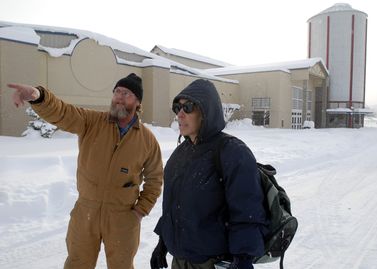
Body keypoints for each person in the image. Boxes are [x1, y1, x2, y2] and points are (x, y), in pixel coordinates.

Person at [7, 73, 164, 269]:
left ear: (138, 102)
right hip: (85, 211)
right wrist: (38, 96)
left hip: (123, 216)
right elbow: (63, 113)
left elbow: (155, 179)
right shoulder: (91, 122)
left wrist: (140, 211)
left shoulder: (147, 140)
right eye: (117, 92)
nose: (120, 97)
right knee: (77, 264)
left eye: (127, 93)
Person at [150, 79, 269, 269]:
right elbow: (173, 206)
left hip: (214, 263)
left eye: (187, 107)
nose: (180, 115)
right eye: (177, 108)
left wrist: (243, 259)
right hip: (180, 261)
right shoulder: (180, 154)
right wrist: (163, 242)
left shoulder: (232, 152)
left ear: (206, 112)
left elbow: (247, 211)